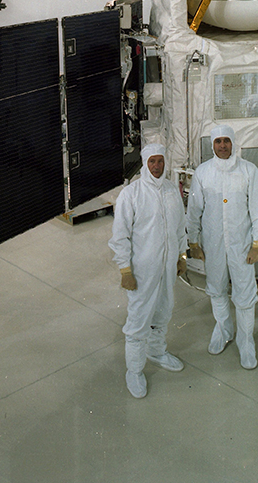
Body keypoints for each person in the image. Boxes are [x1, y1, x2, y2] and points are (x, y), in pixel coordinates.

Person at [186, 124, 258, 370]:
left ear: (234, 143)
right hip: (213, 245)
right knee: (217, 289)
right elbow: (194, 211)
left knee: (245, 295)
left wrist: (257, 243)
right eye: (218, 141)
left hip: (242, 245)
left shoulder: (248, 171)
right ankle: (223, 330)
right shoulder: (202, 173)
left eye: (227, 141)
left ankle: (245, 341)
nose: (222, 146)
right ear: (212, 144)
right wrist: (193, 241)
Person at [109, 143, 187, 398]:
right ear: (144, 163)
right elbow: (120, 236)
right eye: (152, 161)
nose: (157, 166)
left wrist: (181, 256)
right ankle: (134, 370)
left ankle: (156, 352)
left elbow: (178, 226)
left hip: (166, 268)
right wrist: (125, 270)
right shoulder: (131, 194)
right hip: (142, 271)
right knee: (139, 320)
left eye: (160, 161)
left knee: (163, 312)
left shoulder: (171, 190)